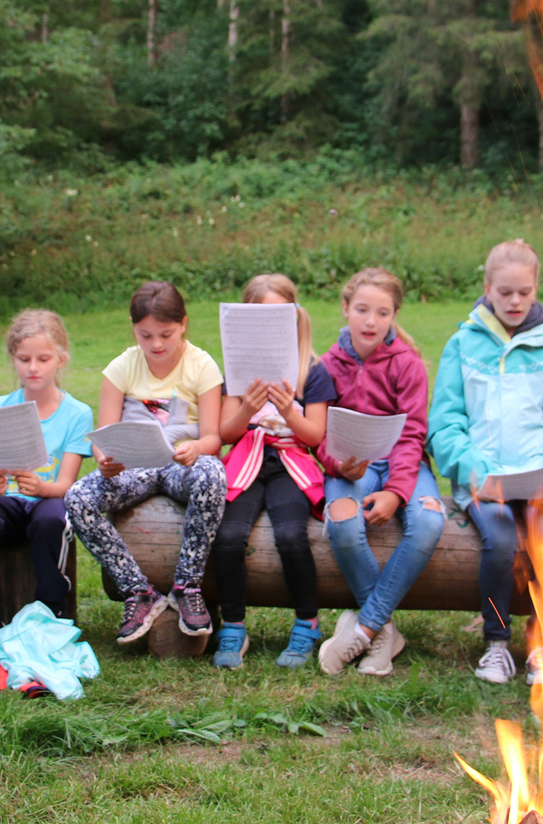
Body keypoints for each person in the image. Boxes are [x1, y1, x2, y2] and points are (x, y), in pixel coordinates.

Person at [428, 240, 543, 686]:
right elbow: (446, 423)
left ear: (536, 289)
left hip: (540, 478)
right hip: (484, 479)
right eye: (505, 292)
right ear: (487, 288)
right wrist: (474, 471)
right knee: (499, 543)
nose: (515, 301)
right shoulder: (462, 344)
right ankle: (496, 644)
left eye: (524, 292)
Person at [65, 281, 227, 644]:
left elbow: (213, 438)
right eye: (145, 335)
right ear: (133, 328)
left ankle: (187, 586)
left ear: (183, 324)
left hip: (180, 464)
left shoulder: (202, 365)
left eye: (165, 335)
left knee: (213, 473)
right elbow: (104, 437)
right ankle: (138, 592)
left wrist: (196, 448)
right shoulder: (121, 367)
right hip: (133, 468)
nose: (156, 344)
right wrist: (105, 461)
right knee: (78, 497)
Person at [316, 267, 444, 676]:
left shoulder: (408, 364)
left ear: (394, 315)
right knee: (342, 524)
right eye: (362, 310)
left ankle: (366, 627)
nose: (371, 321)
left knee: (429, 523)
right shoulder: (326, 365)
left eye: (382, 313)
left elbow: (412, 435)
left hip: (403, 463)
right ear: (345, 308)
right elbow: (319, 434)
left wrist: (396, 491)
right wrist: (338, 465)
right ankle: (386, 631)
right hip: (351, 465)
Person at [212, 274, 333, 670]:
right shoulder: (237, 371)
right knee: (228, 536)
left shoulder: (311, 370)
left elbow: (314, 435)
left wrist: (287, 412)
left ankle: (307, 622)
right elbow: (226, 433)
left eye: (279, 316)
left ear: (294, 318)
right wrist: (247, 408)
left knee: (291, 535)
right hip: (246, 458)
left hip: (290, 461)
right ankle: (233, 624)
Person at [0, 310, 92, 655]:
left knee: (53, 517)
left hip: (47, 501)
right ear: (13, 360)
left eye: (43, 359)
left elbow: (66, 485)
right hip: (8, 504)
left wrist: (42, 488)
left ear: (61, 360)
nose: (33, 368)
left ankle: (50, 613)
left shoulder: (76, 414)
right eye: (24, 359)